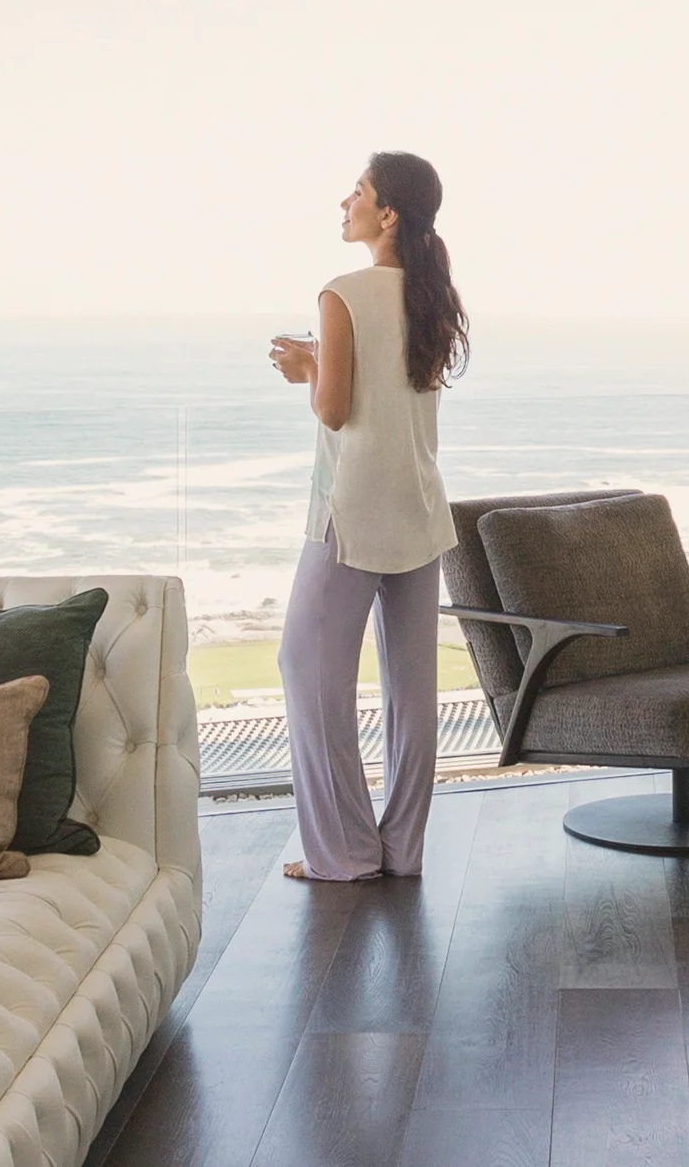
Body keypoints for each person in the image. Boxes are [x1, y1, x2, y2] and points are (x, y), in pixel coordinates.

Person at [263, 151, 467, 882]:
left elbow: (337, 408)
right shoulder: (432, 294)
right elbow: (395, 392)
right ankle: (401, 849)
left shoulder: (341, 292)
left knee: (307, 668)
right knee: (411, 692)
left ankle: (345, 854)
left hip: (350, 514)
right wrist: (327, 358)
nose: (343, 200)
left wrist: (309, 366)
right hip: (418, 508)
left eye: (357, 191)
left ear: (387, 214)